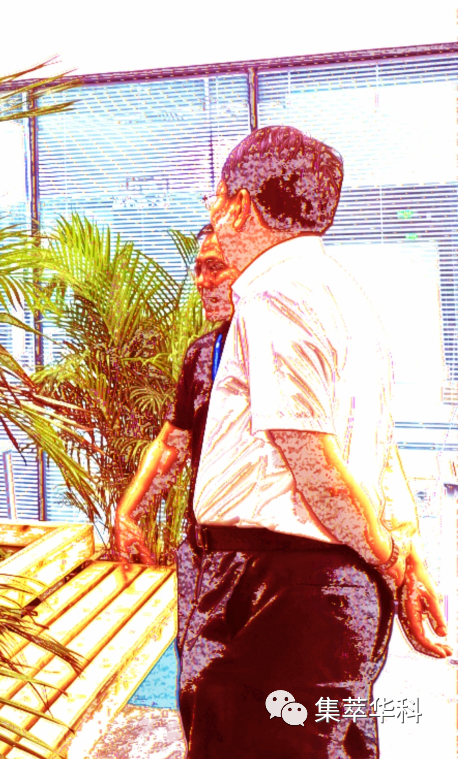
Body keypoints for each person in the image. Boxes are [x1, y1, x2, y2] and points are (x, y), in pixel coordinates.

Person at [179, 125, 451, 759]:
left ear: (239, 205)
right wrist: (399, 559)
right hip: (323, 589)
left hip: (285, 588)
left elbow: (315, 463)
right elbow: (378, 450)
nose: (212, 211)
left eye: (215, 196)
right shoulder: (344, 295)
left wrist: (391, 560)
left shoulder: (274, 293)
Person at [112, 224, 236, 657]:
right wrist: (129, 513)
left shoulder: (286, 350)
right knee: (198, 676)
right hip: (205, 552)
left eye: (215, 267)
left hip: (269, 562)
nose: (202, 281)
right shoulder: (202, 354)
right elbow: (173, 442)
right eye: (198, 269)